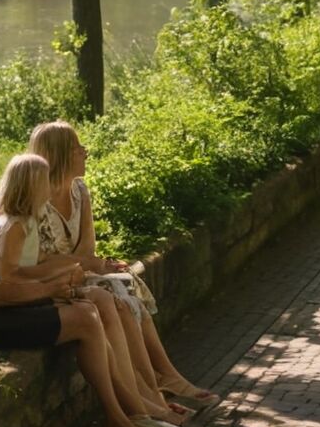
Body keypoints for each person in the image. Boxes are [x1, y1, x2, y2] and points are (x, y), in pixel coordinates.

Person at [0, 141, 183, 427]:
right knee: (85, 318)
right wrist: (52, 289)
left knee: (88, 311)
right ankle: (121, 426)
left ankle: (132, 415)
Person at [27, 120, 220, 410]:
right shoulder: (37, 202)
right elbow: (44, 261)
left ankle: (162, 378)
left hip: (79, 272)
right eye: (80, 149)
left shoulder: (80, 190)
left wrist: (87, 265)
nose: (86, 153)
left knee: (126, 288)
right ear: (62, 155)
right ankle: (153, 391)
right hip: (53, 281)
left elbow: (87, 248)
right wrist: (85, 265)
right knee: (118, 295)